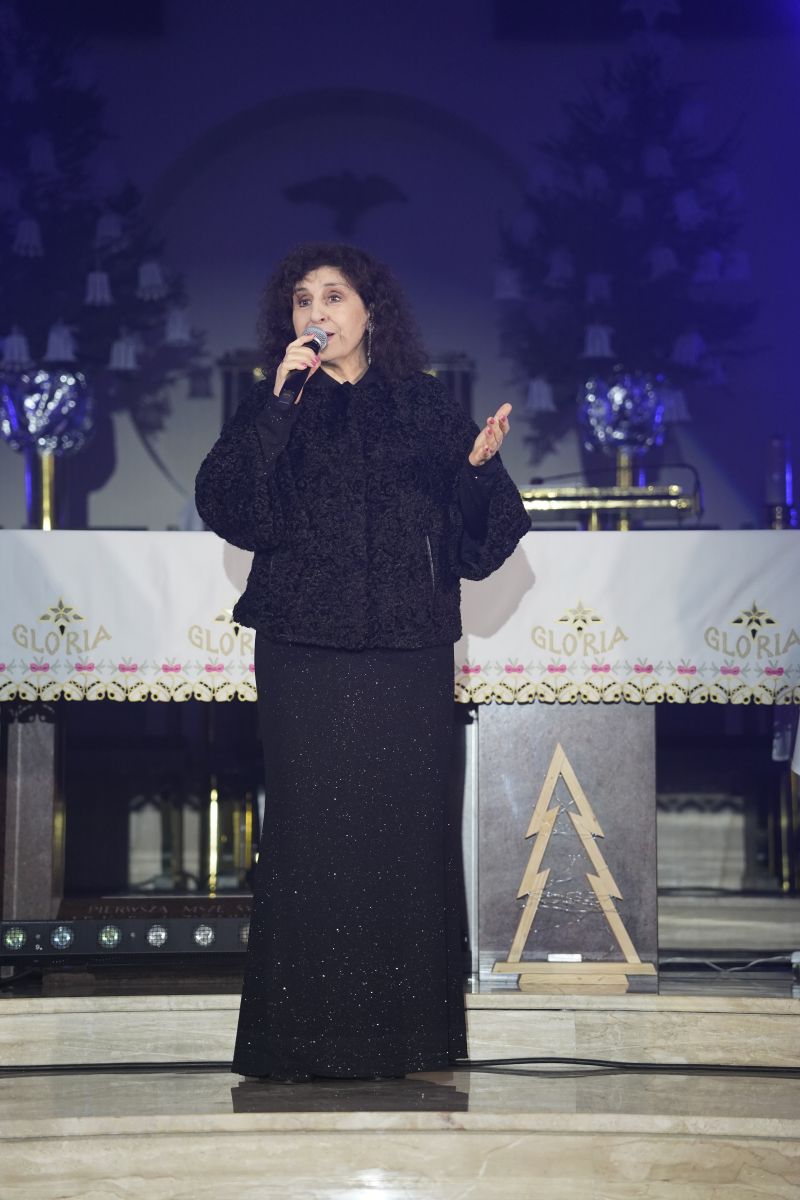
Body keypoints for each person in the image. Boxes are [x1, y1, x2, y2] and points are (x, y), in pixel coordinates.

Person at [195, 242, 530, 1082]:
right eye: (303, 300)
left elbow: (484, 538)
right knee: (311, 836)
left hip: (407, 649)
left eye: (334, 296)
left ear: (371, 312)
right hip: (305, 648)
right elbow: (229, 504)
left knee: (404, 836)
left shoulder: (423, 403)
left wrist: (479, 472)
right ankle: (298, 1040)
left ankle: (405, 1040)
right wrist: (277, 408)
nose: (317, 312)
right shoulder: (276, 400)